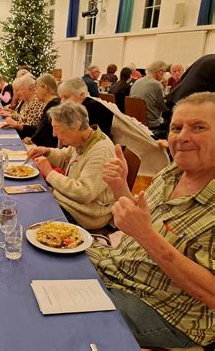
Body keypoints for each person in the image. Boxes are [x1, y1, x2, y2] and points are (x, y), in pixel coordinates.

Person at [88, 92, 214, 349]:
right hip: (117, 269)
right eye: (177, 128)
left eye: (199, 127)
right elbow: (140, 221)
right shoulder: (173, 172)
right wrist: (119, 186)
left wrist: (146, 235)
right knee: (45, 265)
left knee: (68, 318)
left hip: (165, 311)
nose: (182, 137)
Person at [27, 101, 115, 229]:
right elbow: (64, 157)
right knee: (28, 201)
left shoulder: (101, 151)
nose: (54, 134)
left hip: (86, 214)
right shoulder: (83, 140)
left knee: (31, 216)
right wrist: (46, 152)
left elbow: (84, 193)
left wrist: (49, 172)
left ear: (76, 126)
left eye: (57, 129)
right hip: (67, 202)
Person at [20, 73, 60, 148]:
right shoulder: (52, 103)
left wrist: (32, 139)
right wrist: (20, 126)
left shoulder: (53, 106)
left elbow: (44, 131)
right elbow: (39, 128)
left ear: (45, 88)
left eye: (36, 89)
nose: (35, 92)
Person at [130, 60, 168, 135]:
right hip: (151, 123)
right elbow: (163, 107)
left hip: (136, 121)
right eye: (164, 73)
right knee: (169, 119)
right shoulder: (157, 84)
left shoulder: (137, 82)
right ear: (159, 72)